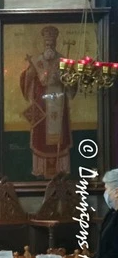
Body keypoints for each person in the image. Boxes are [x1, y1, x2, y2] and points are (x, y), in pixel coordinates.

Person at [19, 25, 75, 179]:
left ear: (56, 43)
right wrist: (30, 74)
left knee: (60, 135)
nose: (49, 46)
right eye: (47, 43)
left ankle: (61, 171)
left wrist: (67, 78)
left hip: (59, 105)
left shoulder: (63, 61)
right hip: (42, 107)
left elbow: (72, 85)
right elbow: (26, 81)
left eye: (52, 43)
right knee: (41, 136)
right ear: (44, 44)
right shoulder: (36, 61)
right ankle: (41, 170)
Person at [93, 168, 118, 258]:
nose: (106, 193)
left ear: (116, 192)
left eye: (107, 189)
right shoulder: (111, 213)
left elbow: (115, 253)